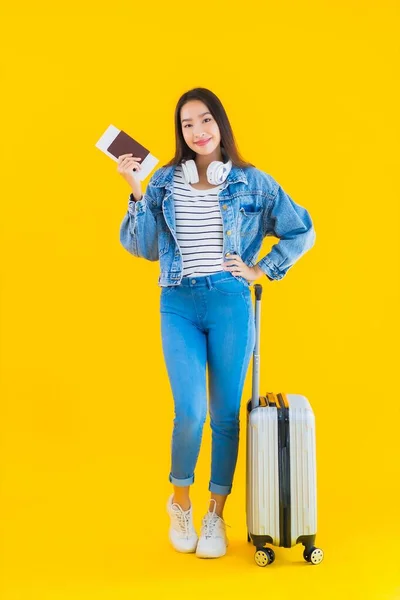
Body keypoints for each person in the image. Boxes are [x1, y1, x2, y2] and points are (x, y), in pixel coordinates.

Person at [118, 87, 316, 559]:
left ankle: (214, 513)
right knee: (190, 413)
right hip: (179, 303)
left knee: (227, 418)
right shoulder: (164, 181)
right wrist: (136, 191)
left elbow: (302, 230)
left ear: (220, 124)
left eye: (205, 121)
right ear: (180, 133)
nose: (198, 132)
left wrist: (261, 269)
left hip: (230, 302)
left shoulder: (254, 183)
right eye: (187, 125)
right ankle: (180, 503)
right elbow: (144, 248)